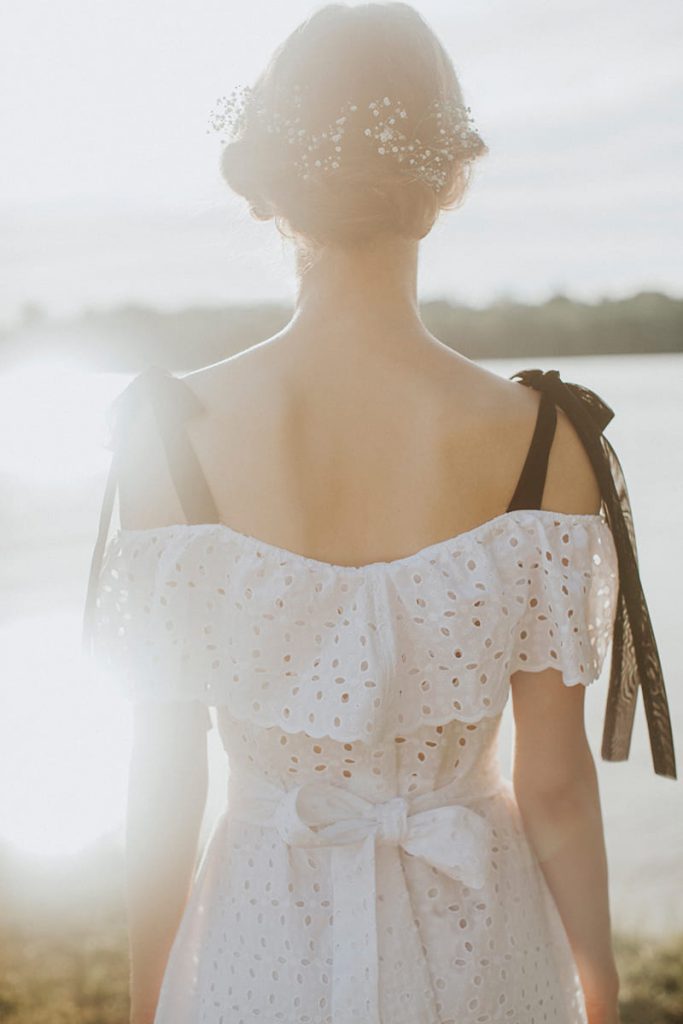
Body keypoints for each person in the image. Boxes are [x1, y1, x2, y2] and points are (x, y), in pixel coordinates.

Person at [82, 4, 676, 1023]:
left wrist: (145, 1006)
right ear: (448, 179)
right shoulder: (547, 440)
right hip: (482, 942)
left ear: (269, 188)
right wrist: (599, 984)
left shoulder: (165, 435)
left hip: (255, 939)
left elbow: (164, 787)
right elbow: (555, 786)